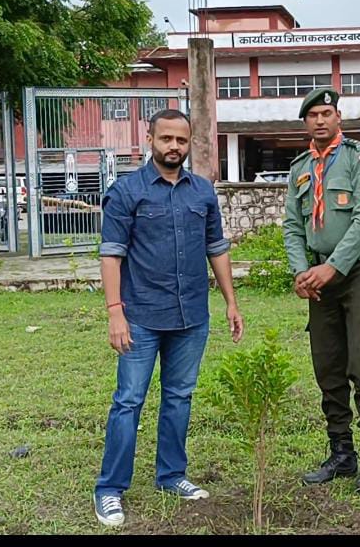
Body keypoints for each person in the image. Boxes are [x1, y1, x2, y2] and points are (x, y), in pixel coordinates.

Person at [93, 108, 244, 527]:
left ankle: (171, 475)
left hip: (192, 316)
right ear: (150, 139)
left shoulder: (202, 192)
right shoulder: (127, 191)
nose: (174, 147)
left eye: (181, 140)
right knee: (129, 401)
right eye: (166, 139)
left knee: (179, 398)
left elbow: (217, 247)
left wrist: (231, 301)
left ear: (189, 142)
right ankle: (109, 489)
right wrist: (115, 314)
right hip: (141, 315)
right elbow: (111, 256)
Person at [282, 87, 360, 494]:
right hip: (318, 278)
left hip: (359, 271)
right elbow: (293, 226)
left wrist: (331, 268)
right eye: (314, 115)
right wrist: (300, 271)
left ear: (338, 118)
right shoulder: (299, 168)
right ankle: (341, 453)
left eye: (328, 113)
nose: (321, 120)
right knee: (327, 368)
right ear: (306, 123)